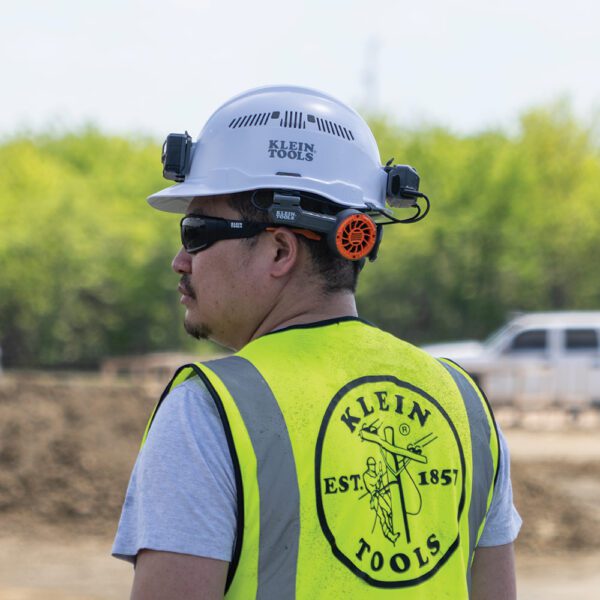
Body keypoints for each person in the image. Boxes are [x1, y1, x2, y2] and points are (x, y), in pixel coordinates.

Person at [112, 85, 521, 599]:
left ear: (280, 250)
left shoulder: (209, 410)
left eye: (196, 232)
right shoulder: (463, 403)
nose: (180, 260)